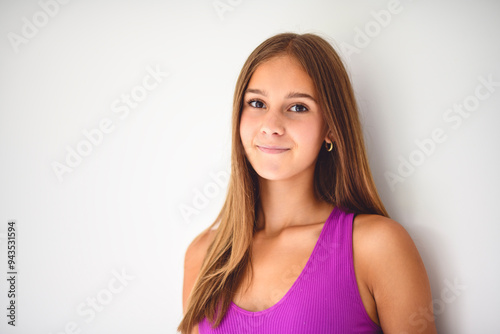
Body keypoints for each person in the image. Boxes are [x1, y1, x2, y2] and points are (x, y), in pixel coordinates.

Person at [178, 32, 437, 334]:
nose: (271, 126)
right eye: (257, 103)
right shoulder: (202, 256)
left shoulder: (376, 247)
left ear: (331, 128)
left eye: (298, 107)